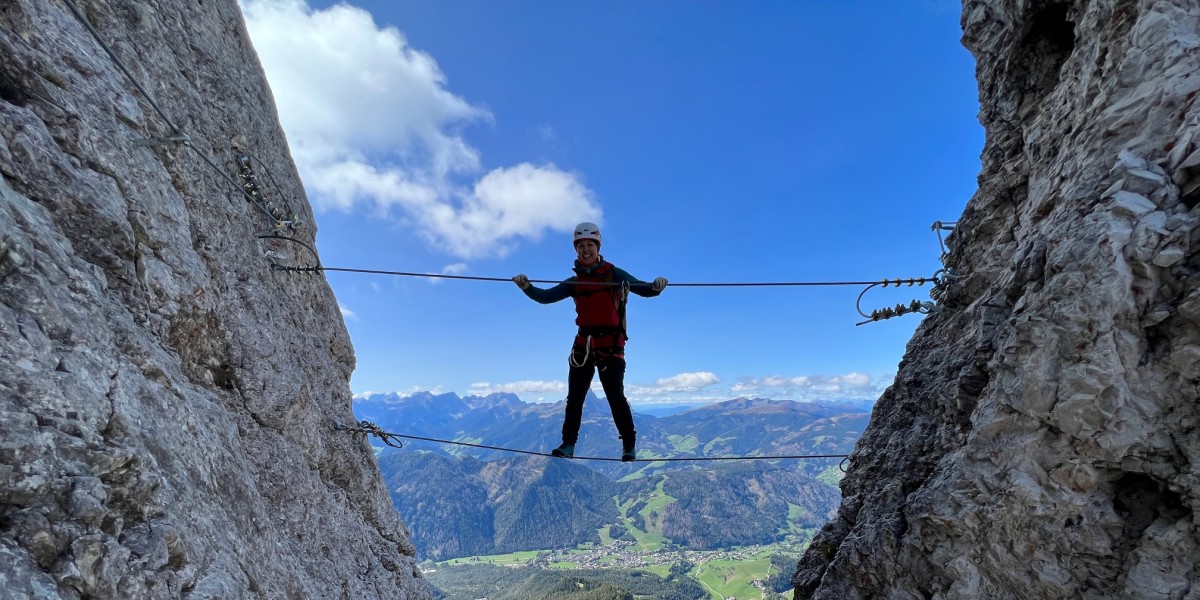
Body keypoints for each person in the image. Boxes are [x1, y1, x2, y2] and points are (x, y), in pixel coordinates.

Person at [513, 222, 667, 462]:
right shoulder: (574, 282)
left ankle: (629, 446)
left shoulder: (613, 273)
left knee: (615, 397)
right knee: (575, 398)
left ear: (598, 247)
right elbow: (545, 297)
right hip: (584, 345)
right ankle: (568, 444)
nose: (585, 250)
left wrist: (657, 286)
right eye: (581, 246)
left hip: (610, 345)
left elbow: (643, 289)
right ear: (576, 250)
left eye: (590, 245)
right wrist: (526, 286)